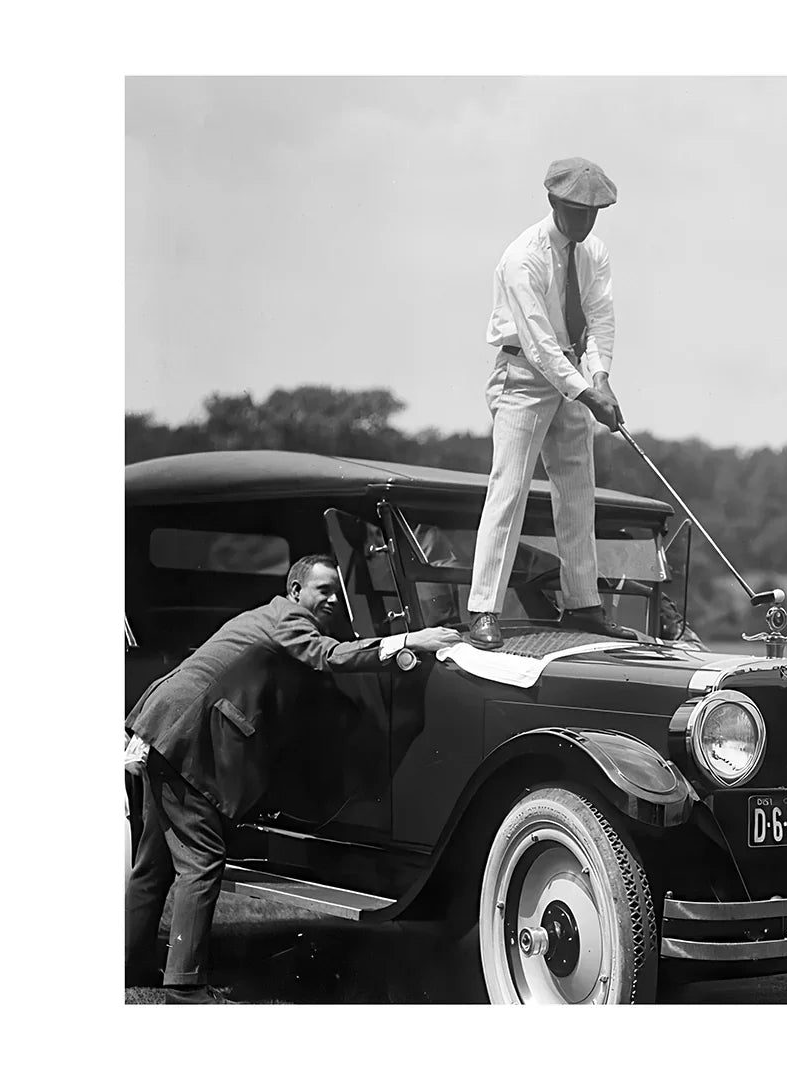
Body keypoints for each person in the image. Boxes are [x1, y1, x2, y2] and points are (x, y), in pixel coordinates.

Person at [123, 554, 460, 1003]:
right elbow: (326, 656)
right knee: (201, 862)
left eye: (337, 592)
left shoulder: (269, 617)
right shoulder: (288, 617)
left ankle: (129, 963)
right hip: (189, 732)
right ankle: (184, 990)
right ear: (296, 590)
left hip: (167, 725)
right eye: (323, 590)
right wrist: (408, 640)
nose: (333, 599)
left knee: (153, 865)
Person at [466, 156, 637, 649]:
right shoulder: (523, 257)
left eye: (594, 213)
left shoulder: (594, 251)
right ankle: (483, 610)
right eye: (577, 212)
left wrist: (600, 378)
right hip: (523, 376)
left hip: (571, 373)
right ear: (554, 203)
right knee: (511, 486)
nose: (585, 222)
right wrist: (587, 393)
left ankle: (583, 605)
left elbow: (600, 318)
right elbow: (539, 342)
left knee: (578, 490)